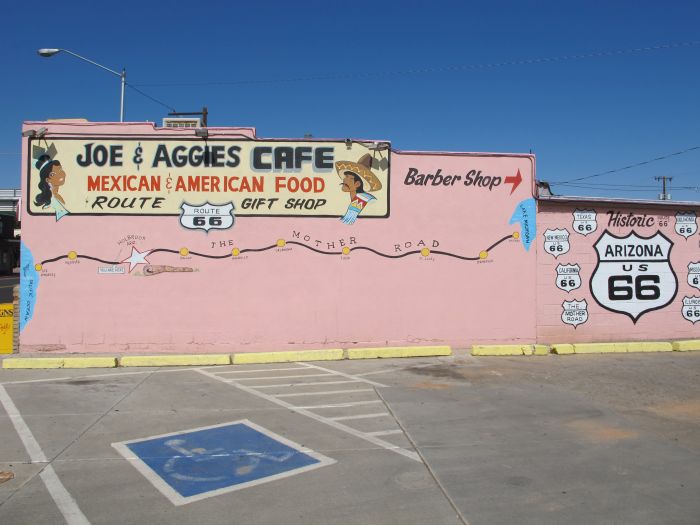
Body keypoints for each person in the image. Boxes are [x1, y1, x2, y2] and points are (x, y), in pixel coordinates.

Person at [335, 153, 382, 224]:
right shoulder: (355, 200)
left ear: (357, 184)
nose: (344, 180)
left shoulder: (369, 202)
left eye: (349, 178)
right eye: (345, 177)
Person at [34, 154, 69, 220]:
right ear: (47, 179)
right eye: (53, 174)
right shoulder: (50, 202)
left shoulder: (57, 195)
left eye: (60, 169)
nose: (60, 174)